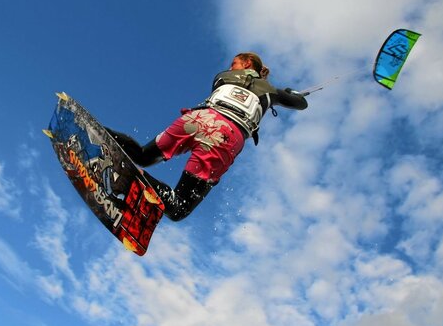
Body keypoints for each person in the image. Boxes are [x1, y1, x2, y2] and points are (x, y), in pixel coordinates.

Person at [107, 52, 308, 221]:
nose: (230, 66)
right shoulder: (271, 91)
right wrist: (292, 93)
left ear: (247, 63)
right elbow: (300, 104)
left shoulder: (222, 77)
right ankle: (140, 178)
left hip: (197, 119)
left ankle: (103, 133)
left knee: (142, 155)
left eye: (234, 63)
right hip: (226, 136)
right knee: (178, 208)